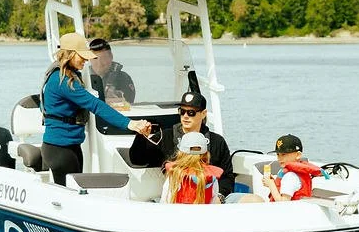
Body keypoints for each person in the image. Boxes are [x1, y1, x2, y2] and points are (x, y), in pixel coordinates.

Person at [41, 32, 151, 185]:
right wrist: (131, 124)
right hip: (60, 149)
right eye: (82, 55)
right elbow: (95, 105)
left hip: (69, 145)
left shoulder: (65, 76)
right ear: (71, 54)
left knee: (74, 193)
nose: (86, 59)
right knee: (69, 195)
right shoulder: (63, 81)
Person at [130, 91, 235, 199]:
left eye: (191, 113)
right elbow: (137, 160)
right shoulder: (165, 136)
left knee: (251, 200)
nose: (185, 116)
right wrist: (141, 136)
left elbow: (227, 177)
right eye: (182, 111)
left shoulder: (217, 141)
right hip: (176, 198)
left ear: (203, 114)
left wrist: (219, 197)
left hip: (210, 198)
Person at [159, 132, 223, 204]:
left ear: (180, 153)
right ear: (206, 154)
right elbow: (213, 203)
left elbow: (164, 202)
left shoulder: (175, 176)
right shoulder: (212, 178)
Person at [262, 134, 328, 202]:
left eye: (283, 154)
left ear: (298, 155)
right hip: (297, 210)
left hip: (286, 212)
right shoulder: (295, 173)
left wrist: (271, 184)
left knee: (253, 199)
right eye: (278, 154)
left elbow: (283, 203)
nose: (279, 158)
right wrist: (273, 183)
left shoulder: (290, 176)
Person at [87, 37, 136, 104]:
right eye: (95, 58)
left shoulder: (124, 78)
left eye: (103, 58)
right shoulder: (83, 78)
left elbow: (129, 103)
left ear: (111, 57)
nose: (99, 63)